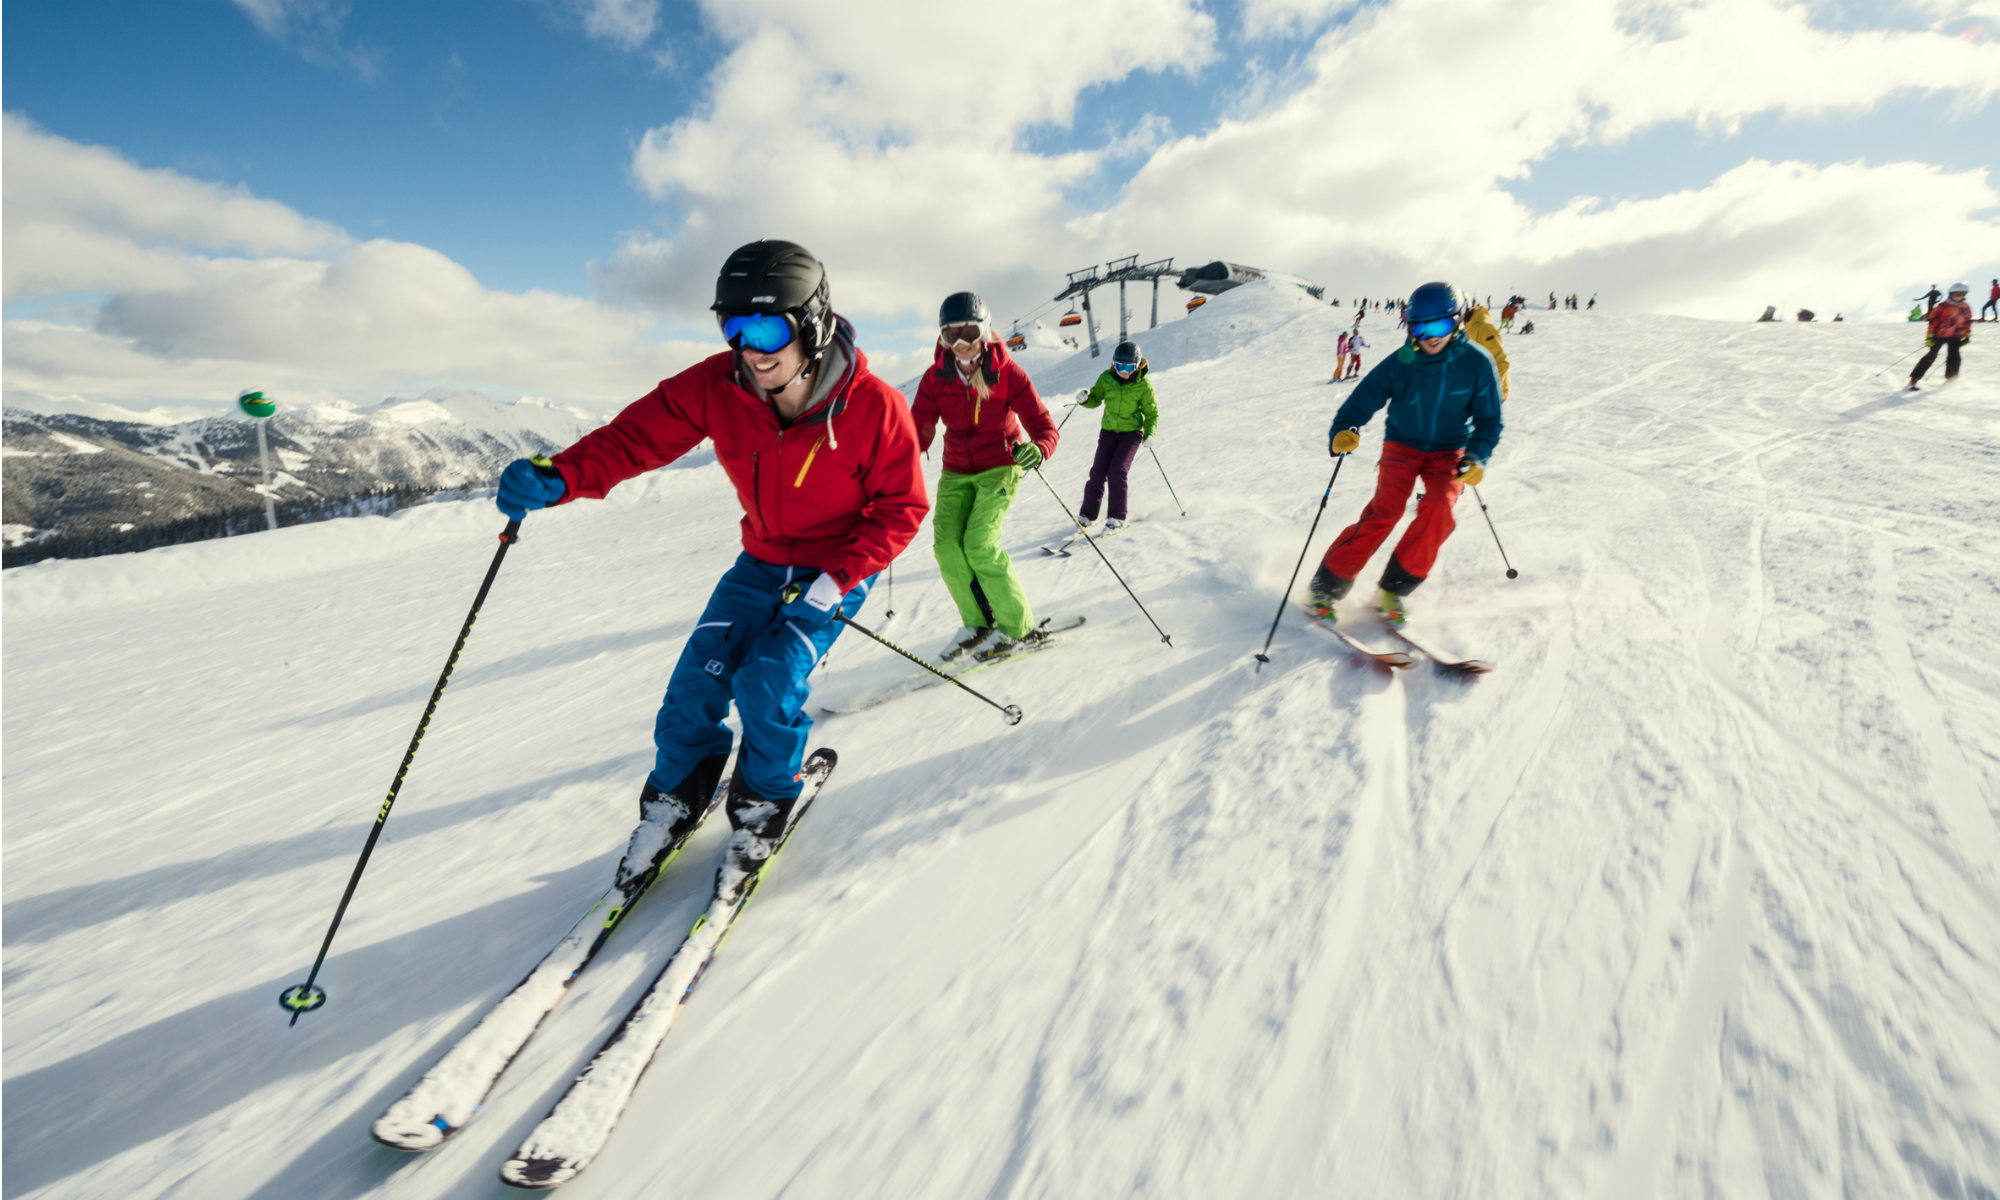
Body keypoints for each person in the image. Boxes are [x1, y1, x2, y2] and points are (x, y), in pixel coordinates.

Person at [493, 238, 927, 888]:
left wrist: (838, 580)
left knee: (768, 684)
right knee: (694, 687)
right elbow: (634, 438)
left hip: (833, 571)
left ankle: (761, 803)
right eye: (734, 327)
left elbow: (902, 506)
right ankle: (673, 800)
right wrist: (561, 477)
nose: (751, 347)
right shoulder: (717, 385)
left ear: (810, 321)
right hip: (758, 565)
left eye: (767, 326)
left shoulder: (873, 407)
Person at [1307, 281, 1502, 626]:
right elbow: (1360, 401)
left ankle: (1393, 591)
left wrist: (1477, 457)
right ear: (1410, 326)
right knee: (1387, 510)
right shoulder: (1401, 362)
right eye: (1420, 326)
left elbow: (1489, 420)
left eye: (1440, 325)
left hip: (1450, 448)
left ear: (1457, 322)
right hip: (1402, 444)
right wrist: (1344, 430)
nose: (1430, 336)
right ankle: (1326, 587)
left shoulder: (1477, 363)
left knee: (1439, 508)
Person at [911, 291, 1060, 662]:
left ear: (985, 330)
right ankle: (979, 622)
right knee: (947, 548)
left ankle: (1018, 627)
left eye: (970, 333)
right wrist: (895, 457)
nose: (961, 344)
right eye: (951, 336)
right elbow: (919, 428)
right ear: (942, 338)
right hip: (956, 471)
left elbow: (1043, 425)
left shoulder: (1008, 374)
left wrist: (1038, 448)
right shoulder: (934, 378)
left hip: (1000, 466)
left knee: (979, 545)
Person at [1075, 339, 1159, 531]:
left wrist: (1150, 432)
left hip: (1131, 435)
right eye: (1120, 366)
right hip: (1108, 433)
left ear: (1137, 365)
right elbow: (1095, 398)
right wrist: (1085, 399)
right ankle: (1087, 515)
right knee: (1097, 472)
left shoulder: (1144, 386)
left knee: (1117, 471)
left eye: (1129, 367)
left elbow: (1152, 413)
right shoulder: (1106, 379)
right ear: (1114, 363)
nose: (1124, 371)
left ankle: (1117, 517)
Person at [1908, 283, 1972, 391]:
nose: (1959, 297)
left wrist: (1967, 335)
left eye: (1962, 294)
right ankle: (1915, 378)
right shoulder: (1942, 306)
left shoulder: (1965, 307)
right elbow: (1933, 322)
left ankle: (1951, 379)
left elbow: (1967, 321)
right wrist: (1929, 337)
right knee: (1932, 355)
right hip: (1940, 334)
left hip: (1956, 335)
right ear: (1951, 294)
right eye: (1957, 294)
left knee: (1954, 356)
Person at [1460, 302, 1511, 400]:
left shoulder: (1484, 327)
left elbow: (1500, 362)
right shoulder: (1466, 328)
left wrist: (1490, 393)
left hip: (1492, 395)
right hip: (1475, 393)